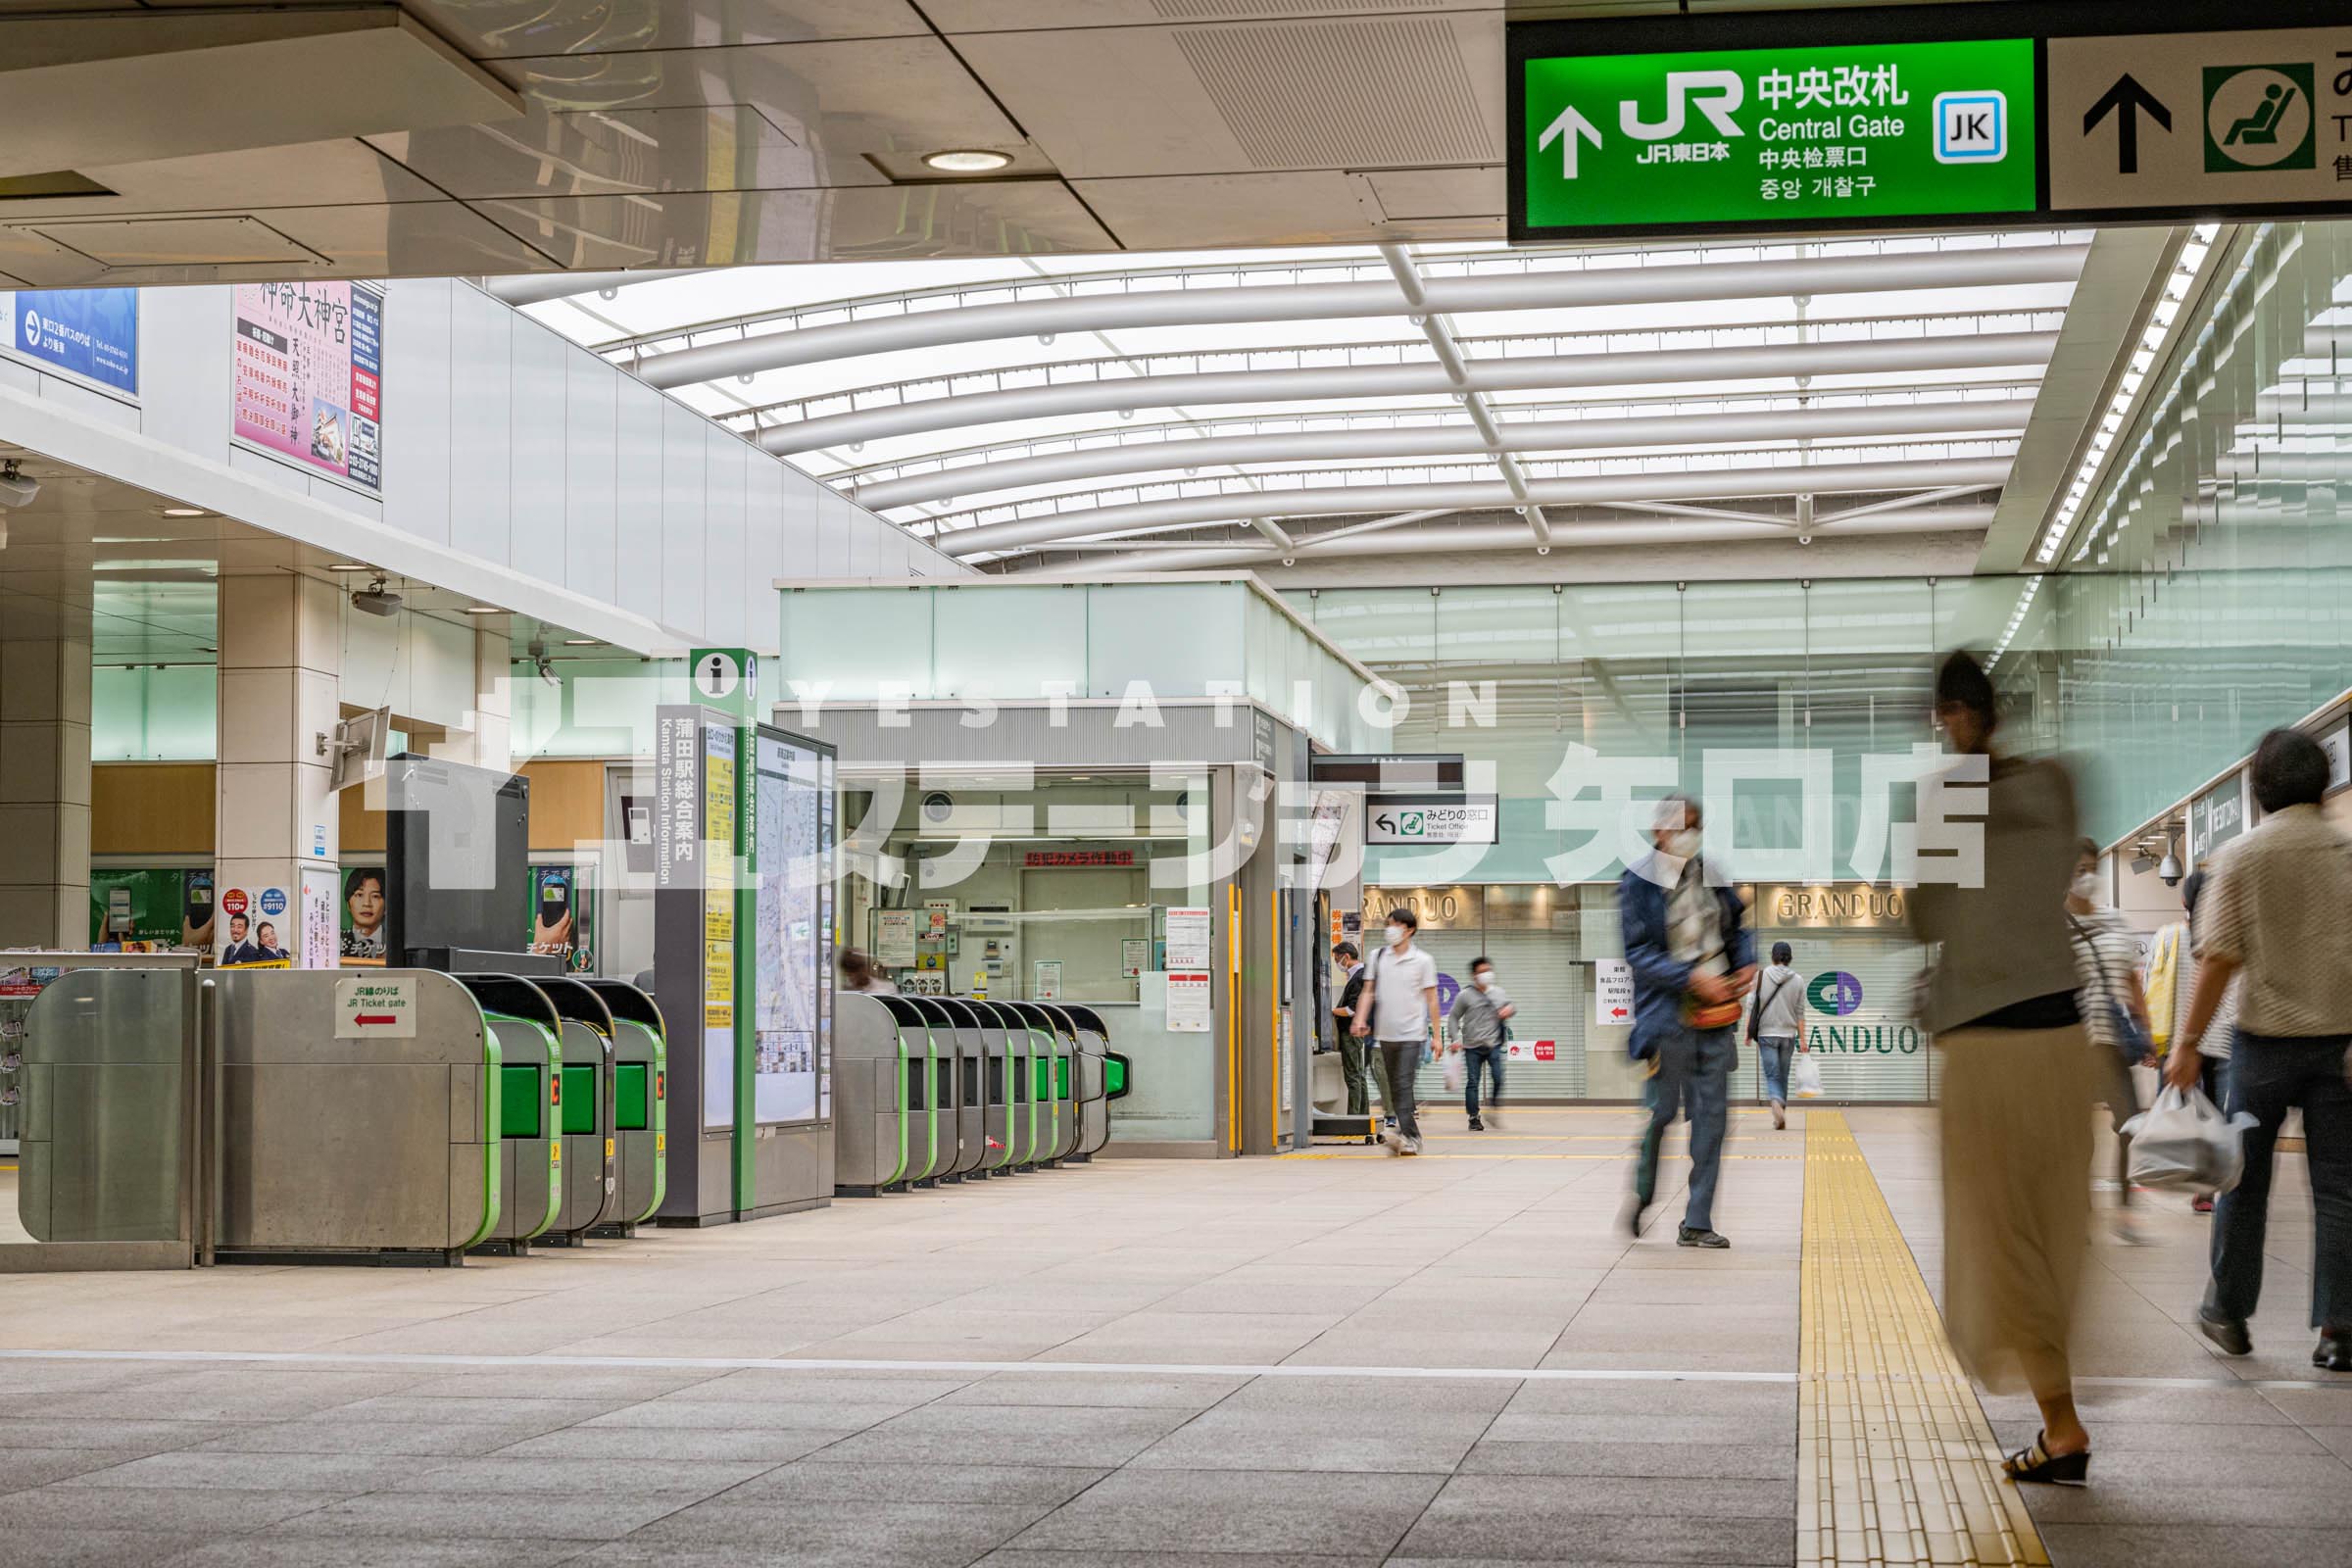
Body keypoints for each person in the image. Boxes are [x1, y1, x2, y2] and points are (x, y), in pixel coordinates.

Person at [1908, 649, 2096, 1485]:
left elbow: (1923, 917)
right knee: (2053, 1229)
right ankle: (2062, 1417)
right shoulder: (2056, 782)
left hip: (1985, 1046)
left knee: (2000, 1237)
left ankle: (2062, 1427)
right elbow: (2055, 874)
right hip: (2064, 1039)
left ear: (1951, 714)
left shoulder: (1946, 795)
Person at [2165, 727, 2352, 1372]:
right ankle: (2339, 1329)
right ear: (2322, 782)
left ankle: (2229, 1313)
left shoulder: (2240, 856)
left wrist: (2187, 1043)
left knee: (2243, 1184)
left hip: (2263, 1044)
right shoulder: (2347, 852)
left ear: (2260, 788)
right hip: (2340, 1046)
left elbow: (2217, 960)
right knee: (2339, 1192)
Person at [1620, 793, 1753, 1250]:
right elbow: (1636, 953)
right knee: (1661, 1114)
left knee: (1712, 1120)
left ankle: (1696, 1220)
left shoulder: (1711, 872)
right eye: (1681, 826)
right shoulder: (1636, 881)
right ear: (1659, 829)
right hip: (1668, 1021)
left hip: (1717, 1019)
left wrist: (1746, 963)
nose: (1689, 835)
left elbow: (1739, 928)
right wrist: (1691, 978)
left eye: (1696, 826)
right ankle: (1642, 1194)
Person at [2067, 838, 2156, 1246]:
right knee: (2076, 1133)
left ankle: (2125, 1211)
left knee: (2129, 1125)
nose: (2085, 877)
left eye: (2090, 868)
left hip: (2113, 1043)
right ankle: (2080, 1210)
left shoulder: (2116, 922)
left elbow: (2131, 980)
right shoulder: (2055, 926)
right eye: (2077, 870)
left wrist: (2148, 1030)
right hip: (2071, 1044)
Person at [2153, 870, 2235, 1212]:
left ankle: (2183, 1171)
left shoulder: (2169, 936)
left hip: (2182, 1040)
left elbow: (2154, 986)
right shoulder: (2227, 937)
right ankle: (2207, 1189)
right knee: (2215, 1117)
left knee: (2184, 1114)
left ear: (2184, 900)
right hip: (2223, 1039)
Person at [1352, 905, 1440, 1156]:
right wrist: (1359, 1019)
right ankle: (1405, 1134)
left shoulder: (1423, 960)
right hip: (1385, 1034)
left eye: (1396, 925)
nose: (1390, 930)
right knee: (1392, 1086)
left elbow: (1432, 999)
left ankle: (1411, 1136)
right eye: (1388, 924)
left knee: (1402, 1083)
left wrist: (1436, 1036)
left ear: (1410, 930)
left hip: (1413, 1034)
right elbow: (1368, 991)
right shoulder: (1377, 957)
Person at [1446, 956, 1514, 1131]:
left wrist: (1509, 1010)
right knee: (1473, 1081)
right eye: (1482, 972)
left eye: (1488, 971)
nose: (1486, 974)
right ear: (1474, 976)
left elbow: (1510, 1007)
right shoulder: (1465, 995)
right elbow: (1454, 1017)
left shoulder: (1498, 992)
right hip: (1472, 1046)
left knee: (1498, 1076)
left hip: (1494, 1044)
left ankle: (1493, 1106)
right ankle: (1474, 1117)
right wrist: (1455, 1039)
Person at [1748, 941, 1807, 1130]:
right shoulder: (1798, 980)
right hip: (1788, 1036)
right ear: (1789, 958)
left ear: (1773, 956)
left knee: (1772, 1075)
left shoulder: (1760, 976)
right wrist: (1803, 1040)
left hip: (1766, 1034)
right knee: (1783, 1075)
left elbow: (1751, 1005)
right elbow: (1800, 1013)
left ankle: (1775, 1102)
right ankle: (1780, 1112)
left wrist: (1748, 1032)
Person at [1330, 942, 1382, 1121]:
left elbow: (1353, 1009)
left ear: (1346, 956)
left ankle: (1354, 1119)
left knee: (1353, 1076)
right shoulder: (1359, 975)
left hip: (1351, 1032)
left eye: (1337, 958)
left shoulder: (1359, 976)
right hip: (1355, 1033)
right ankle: (1362, 1116)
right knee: (1359, 1075)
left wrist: (1332, 1011)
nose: (1337, 962)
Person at [340, 868, 387, 960]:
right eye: (359, 895)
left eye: (375, 896)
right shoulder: (335, 941)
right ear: (348, 904)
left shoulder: (397, 943)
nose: (367, 903)